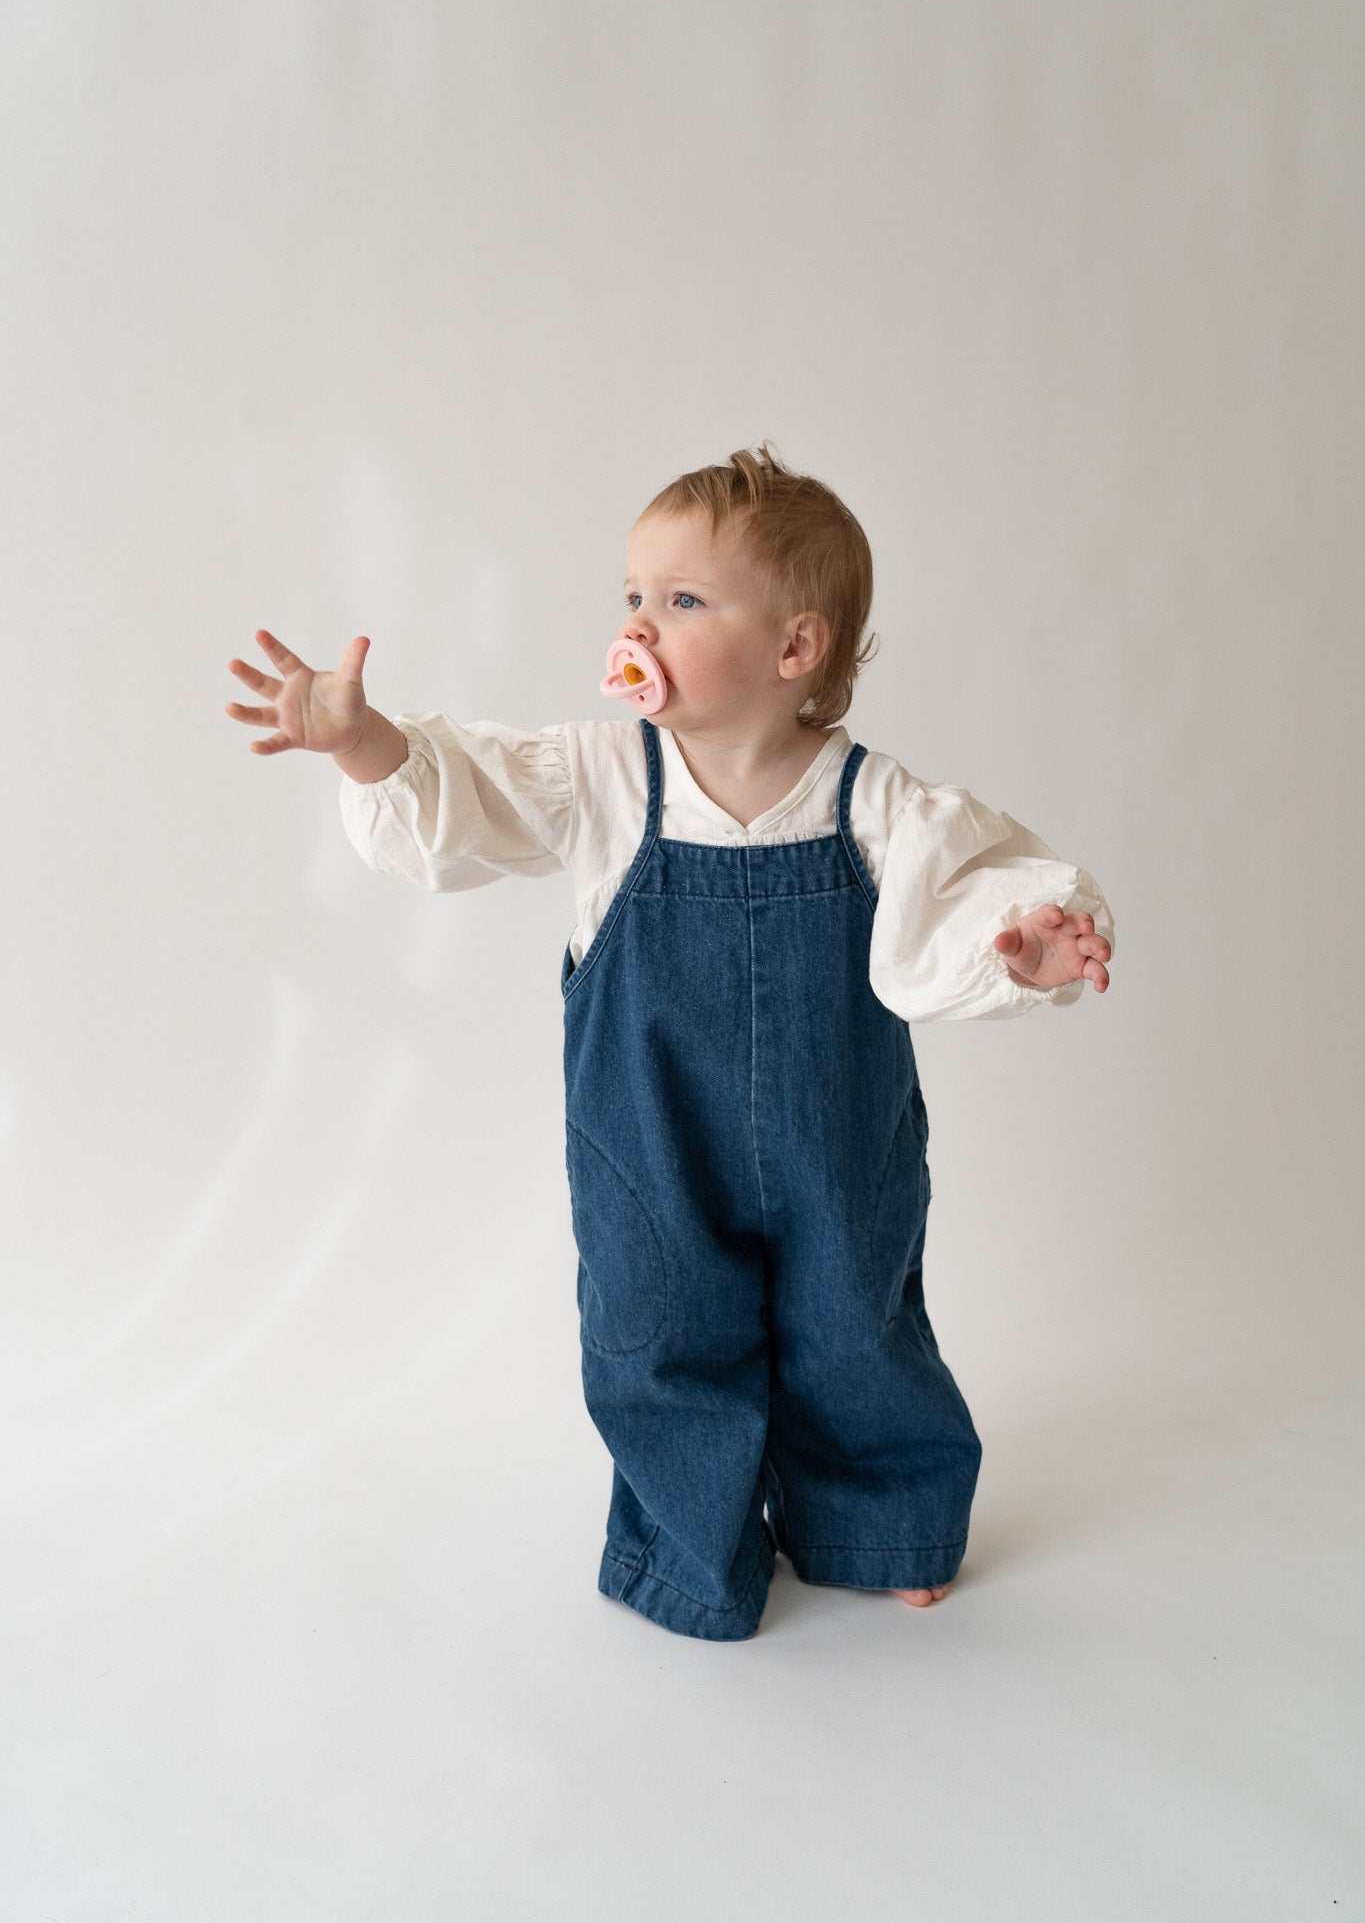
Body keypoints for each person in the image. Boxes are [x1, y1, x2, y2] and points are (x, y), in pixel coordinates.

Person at [225, 442, 1115, 1643]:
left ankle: (879, 1517)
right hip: (648, 1136)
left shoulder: (873, 798)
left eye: (681, 601)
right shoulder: (602, 773)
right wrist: (364, 741)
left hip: (836, 1136)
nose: (640, 623)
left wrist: (1022, 942)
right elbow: (465, 802)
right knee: (654, 1326)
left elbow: (967, 902)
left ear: (795, 648)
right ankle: (690, 1548)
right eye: (633, 595)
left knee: (859, 1317)